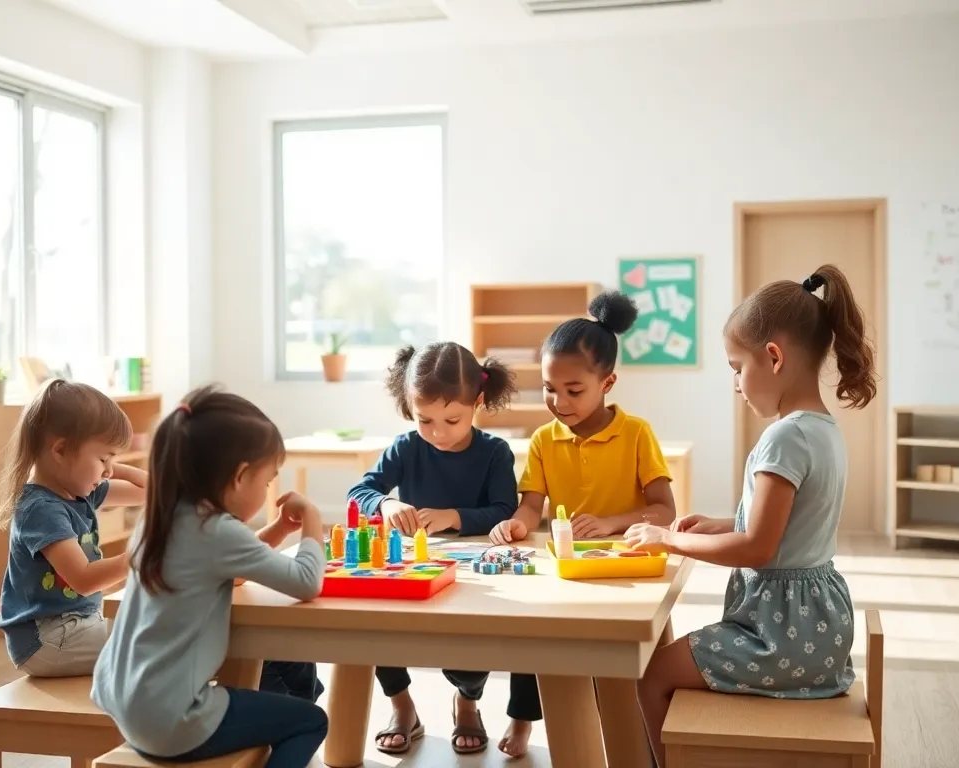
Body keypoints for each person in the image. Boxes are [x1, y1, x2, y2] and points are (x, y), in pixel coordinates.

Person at [623, 264, 876, 767]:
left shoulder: (785, 437)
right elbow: (786, 528)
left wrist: (666, 539)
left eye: (737, 367)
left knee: (651, 676)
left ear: (774, 357)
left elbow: (759, 548)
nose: (737, 383)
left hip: (779, 634)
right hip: (820, 628)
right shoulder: (823, 430)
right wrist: (719, 524)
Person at [92, 385, 328, 768]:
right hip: (169, 720)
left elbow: (230, 568)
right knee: (310, 721)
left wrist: (280, 530)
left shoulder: (165, 516)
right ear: (239, 477)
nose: (268, 490)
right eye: (266, 481)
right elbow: (306, 581)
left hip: (122, 701)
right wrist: (313, 520)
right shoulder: (216, 530)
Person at [487, 290, 678, 757]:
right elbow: (532, 506)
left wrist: (611, 524)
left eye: (574, 391)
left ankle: (643, 745)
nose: (558, 401)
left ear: (607, 382)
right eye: (549, 388)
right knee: (546, 651)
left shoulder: (636, 434)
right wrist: (517, 523)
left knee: (630, 682)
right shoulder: (543, 440)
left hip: (630, 573)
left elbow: (664, 510)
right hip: (570, 570)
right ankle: (538, 724)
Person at [347, 341, 519, 756]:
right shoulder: (407, 447)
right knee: (374, 625)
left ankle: (467, 702)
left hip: (473, 572)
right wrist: (386, 503)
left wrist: (454, 517)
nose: (438, 432)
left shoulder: (494, 452)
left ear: (478, 402)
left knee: (474, 642)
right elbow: (360, 492)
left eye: (452, 419)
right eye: (425, 420)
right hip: (413, 567)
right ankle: (402, 707)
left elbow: (504, 509)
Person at [0, 379, 146, 677]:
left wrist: (109, 465)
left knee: (154, 631)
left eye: (111, 459)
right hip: (47, 640)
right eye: (102, 457)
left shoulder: (78, 491)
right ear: (60, 450)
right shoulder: (41, 509)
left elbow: (149, 492)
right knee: (153, 645)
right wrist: (141, 556)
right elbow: (84, 580)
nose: (109, 470)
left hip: (75, 626)